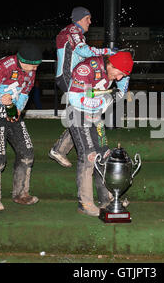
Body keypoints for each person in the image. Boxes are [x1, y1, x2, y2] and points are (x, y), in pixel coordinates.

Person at [67, 51, 132, 216]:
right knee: (89, 156)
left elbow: (122, 88)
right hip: (77, 112)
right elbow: (74, 98)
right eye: (118, 73)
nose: (118, 79)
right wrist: (104, 101)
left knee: (104, 155)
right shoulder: (87, 68)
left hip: (95, 115)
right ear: (111, 64)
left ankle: (107, 199)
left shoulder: (119, 70)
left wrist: (117, 94)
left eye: (122, 75)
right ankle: (85, 203)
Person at [49, 7, 115, 168]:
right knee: (81, 114)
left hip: (71, 77)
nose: (90, 22)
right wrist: (107, 51)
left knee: (81, 114)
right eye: (88, 19)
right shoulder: (73, 31)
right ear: (80, 19)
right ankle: (60, 149)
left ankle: (59, 149)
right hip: (68, 77)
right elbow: (83, 51)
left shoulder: (74, 32)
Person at [0, 44, 42, 212]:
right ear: (23, 61)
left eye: (37, 65)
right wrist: (1, 98)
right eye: (33, 64)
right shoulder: (2, 66)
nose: (35, 68)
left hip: (13, 111)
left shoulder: (31, 70)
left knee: (27, 152)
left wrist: (19, 108)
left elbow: (25, 93)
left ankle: (21, 194)